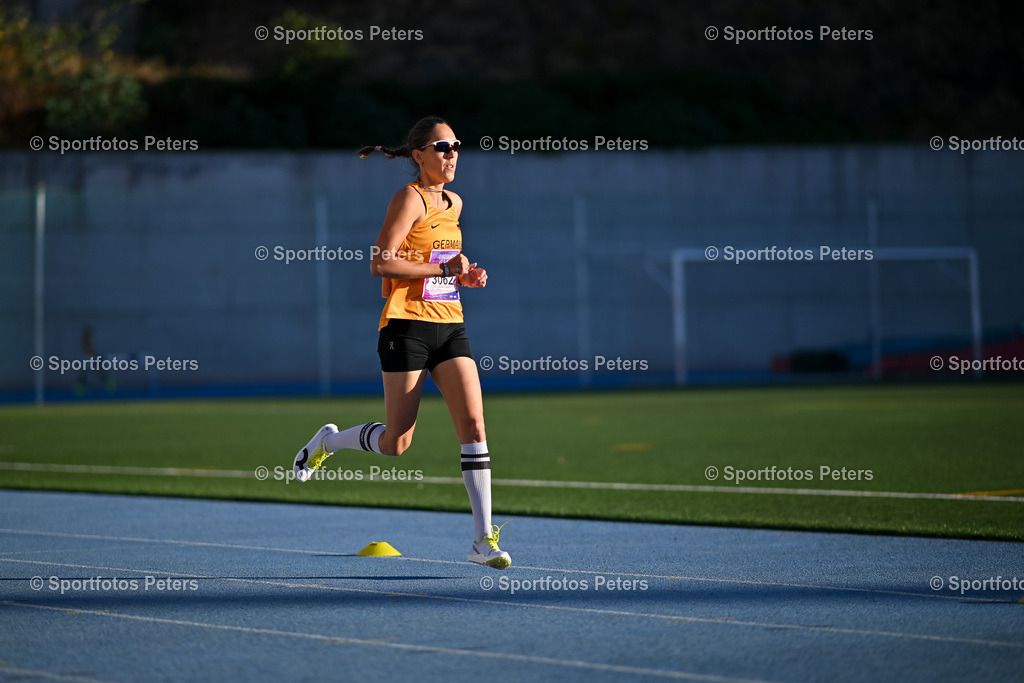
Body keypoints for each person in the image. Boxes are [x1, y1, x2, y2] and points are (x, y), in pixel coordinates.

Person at [291, 115, 510, 570]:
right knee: (396, 444)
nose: (452, 154)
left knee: (474, 425)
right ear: (420, 156)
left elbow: (441, 262)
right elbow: (381, 263)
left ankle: (482, 541)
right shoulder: (407, 198)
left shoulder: (455, 203)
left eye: (456, 145)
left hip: (450, 324)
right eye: (442, 147)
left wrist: (465, 275)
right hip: (405, 328)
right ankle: (330, 442)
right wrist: (444, 271)